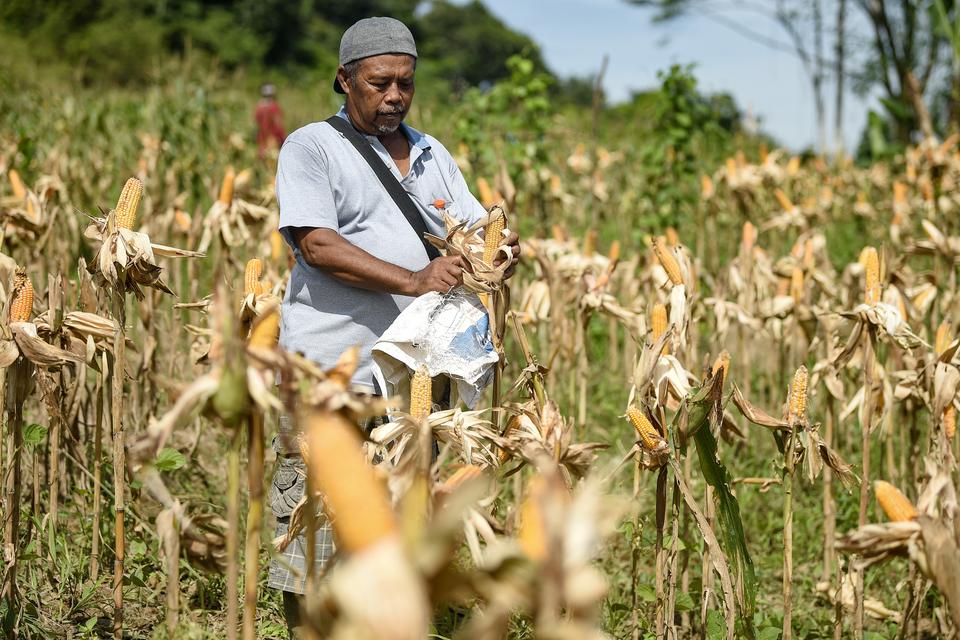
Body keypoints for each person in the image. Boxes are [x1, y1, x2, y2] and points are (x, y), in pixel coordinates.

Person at [267, 16, 520, 637]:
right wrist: (413, 280)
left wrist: (499, 247)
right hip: (333, 364)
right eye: (379, 83)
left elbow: (469, 227)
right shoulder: (311, 147)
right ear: (343, 79)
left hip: (415, 371)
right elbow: (317, 244)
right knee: (316, 513)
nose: (394, 96)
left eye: (405, 83)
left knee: (406, 511)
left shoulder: (433, 154)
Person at [255, 83, 286, 158]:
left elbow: (257, 122)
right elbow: (277, 124)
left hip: (262, 139)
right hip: (273, 139)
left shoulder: (259, 107)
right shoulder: (274, 106)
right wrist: (283, 137)